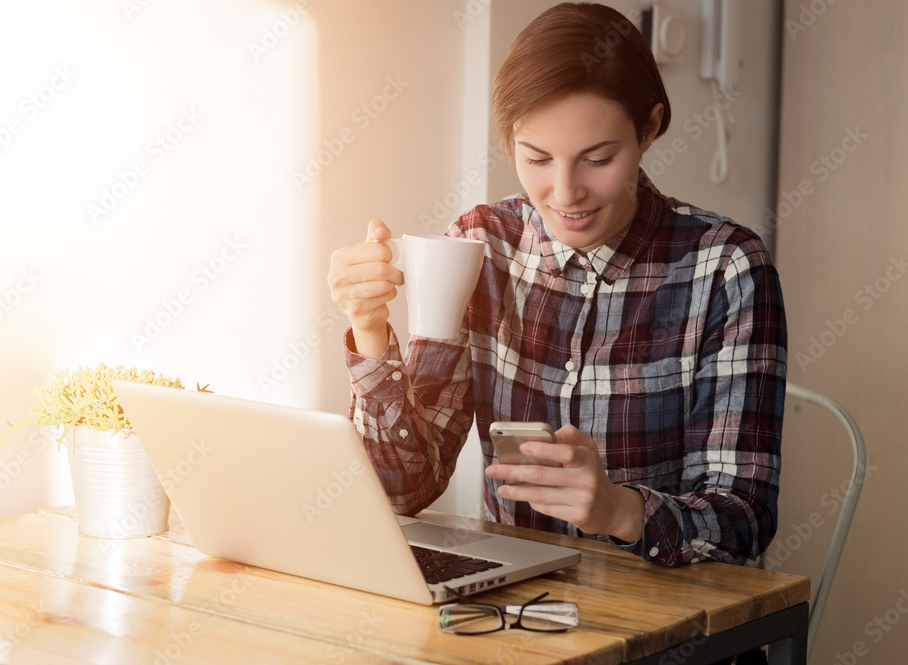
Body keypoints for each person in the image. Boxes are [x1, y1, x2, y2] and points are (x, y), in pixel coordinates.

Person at [327, 1, 786, 580]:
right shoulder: (482, 245)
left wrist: (621, 510)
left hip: (663, 620)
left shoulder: (726, 269)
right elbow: (403, 491)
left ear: (648, 128)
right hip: (517, 615)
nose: (566, 193)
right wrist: (369, 332)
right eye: (538, 158)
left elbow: (744, 520)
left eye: (598, 159)